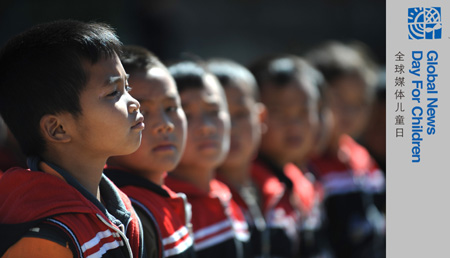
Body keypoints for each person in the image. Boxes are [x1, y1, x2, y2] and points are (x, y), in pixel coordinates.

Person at [0, 20, 145, 258]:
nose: (134, 102)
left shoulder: (120, 205)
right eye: (113, 93)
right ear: (58, 129)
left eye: (127, 86)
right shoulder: (46, 239)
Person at [104, 45, 196, 258]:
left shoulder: (162, 197)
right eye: (142, 111)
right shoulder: (126, 216)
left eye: (171, 108)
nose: (165, 125)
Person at [305, 40, 386, 258]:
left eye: (359, 102)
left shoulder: (363, 158)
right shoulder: (306, 165)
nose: (350, 113)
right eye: (339, 100)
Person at [165, 59, 250, 258]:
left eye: (214, 111)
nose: (206, 126)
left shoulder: (226, 196)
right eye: (186, 114)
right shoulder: (166, 210)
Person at [248, 54, 321, 257]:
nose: (294, 125)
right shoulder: (249, 187)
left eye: (303, 112)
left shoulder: (302, 179)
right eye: (279, 113)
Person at [206, 58, 268, 257]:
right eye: (216, 114)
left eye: (240, 114)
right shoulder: (197, 201)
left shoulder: (278, 186)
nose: (230, 128)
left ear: (260, 118)